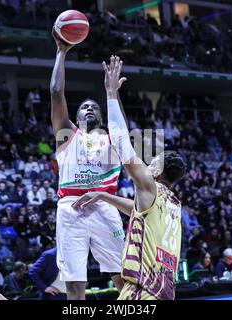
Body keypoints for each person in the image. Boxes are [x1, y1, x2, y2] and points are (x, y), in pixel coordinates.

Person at [73, 56, 186, 300]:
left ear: (156, 171)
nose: (149, 162)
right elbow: (136, 210)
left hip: (142, 292)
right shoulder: (173, 203)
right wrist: (104, 195)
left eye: (153, 161)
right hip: (163, 292)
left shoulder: (149, 185)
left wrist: (111, 95)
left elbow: (122, 143)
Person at [50, 31, 125, 299]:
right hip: (70, 209)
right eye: (83, 107)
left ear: (103, 116)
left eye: (94, 106)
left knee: (124, 278)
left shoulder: (112, 139)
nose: (89, 109)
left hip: (106, 206)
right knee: (74, 285)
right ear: (76, 115)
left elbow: (119, 124)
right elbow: (57, 92)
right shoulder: (67, 136)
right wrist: (62, 52)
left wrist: (112, 93)